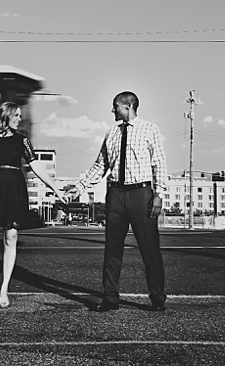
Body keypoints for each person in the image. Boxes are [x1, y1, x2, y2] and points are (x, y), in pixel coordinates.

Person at [66, 91, 167, 312]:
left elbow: (159, 163)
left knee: (150, 248)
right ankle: (110, 297)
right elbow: (100, 165)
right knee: (112, 248)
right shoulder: (111, 133)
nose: (113, 110)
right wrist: (80, 187)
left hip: (141, 194)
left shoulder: (150, 129)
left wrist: (158, 194)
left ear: (128, 106)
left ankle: (157, 297)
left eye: (116, 106)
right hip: (116, 195)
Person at [0, 102, 60, 308]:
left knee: (11, 237)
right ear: (5, 116)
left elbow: (35, 165)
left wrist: (55, 187)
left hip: (15, 190)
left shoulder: (22, 141)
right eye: (16, 115)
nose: (19, 119)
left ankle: (4, 289)